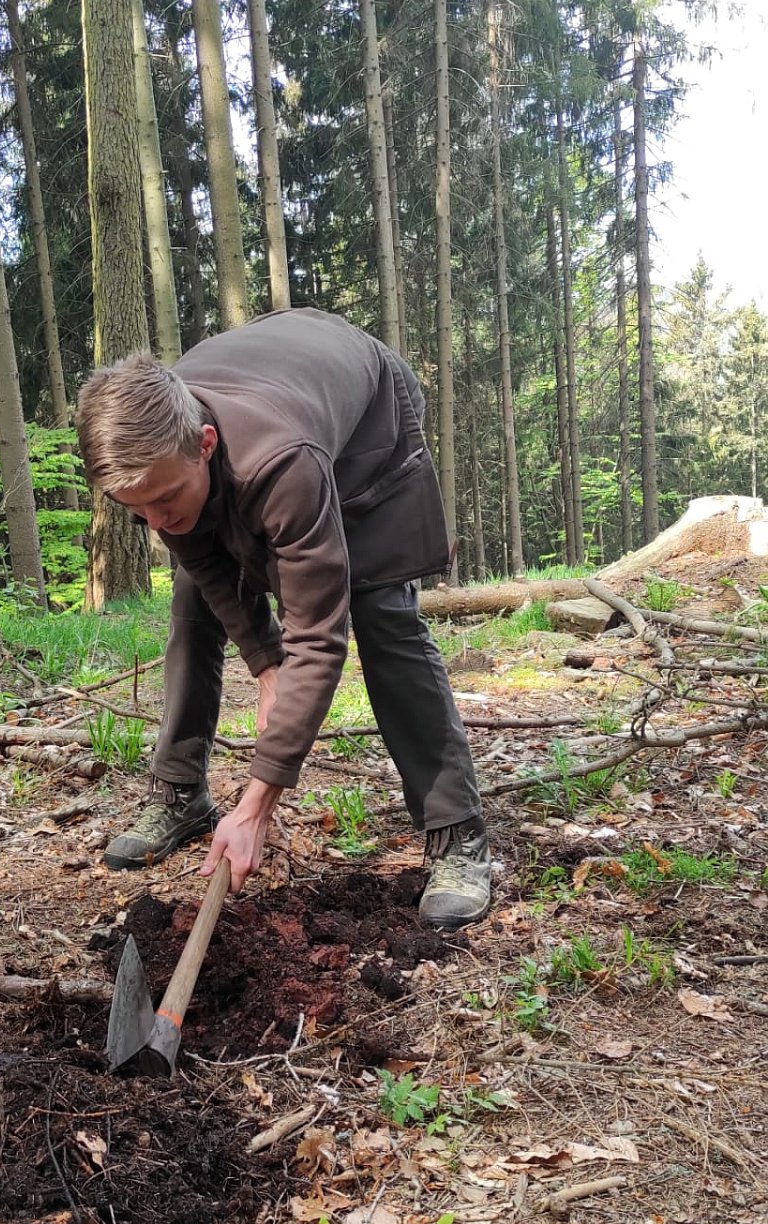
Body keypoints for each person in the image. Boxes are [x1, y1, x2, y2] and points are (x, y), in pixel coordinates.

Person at [75, 308, 491, 928]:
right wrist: (267, 667)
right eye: (138, 511)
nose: (155, 524)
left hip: (368, 413)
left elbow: (319, 639)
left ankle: (456, 833)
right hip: (278, 390)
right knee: (191, 597)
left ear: (204, 445)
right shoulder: (158, 446)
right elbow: (210, 568)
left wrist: (255, 807)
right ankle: (180, 791)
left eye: (163, 500)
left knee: (382, 611)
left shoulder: (282, 461)